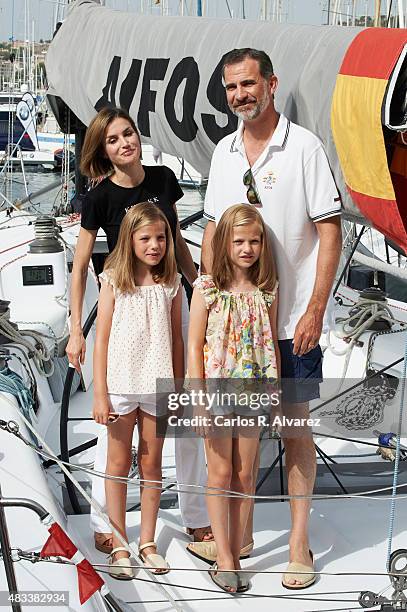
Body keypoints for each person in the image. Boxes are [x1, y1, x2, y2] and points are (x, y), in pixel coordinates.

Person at [192, 48, 342, 589]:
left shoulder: (304, 148)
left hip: (291, 326)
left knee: (296, 433)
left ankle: (298, 545)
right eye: (231, 87)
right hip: (232, 335)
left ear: (272, 84)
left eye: (248, 84)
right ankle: (244, 535)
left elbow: (329, 230)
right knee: (237, 443)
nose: (240, 96)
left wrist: (315, 310)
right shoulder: (225, 153)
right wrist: (200, 305)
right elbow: (212, 233)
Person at [66, 106, 212, 554]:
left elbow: (177, 244)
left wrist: (199, 287)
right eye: (113, 140)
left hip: (168, 295)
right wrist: (76, 329)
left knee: (179, 415)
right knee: (114, 434)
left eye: (127, 133)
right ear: (102, 150)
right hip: (123, 301)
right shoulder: (98, 198)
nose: (124, 143)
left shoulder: (164, 179)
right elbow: (79, 270)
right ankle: (106, 524)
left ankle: (194, 517)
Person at [188, 204, 280, 593]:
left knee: (245, 474)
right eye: (239, 241)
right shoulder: (207, 288)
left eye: (254, 241)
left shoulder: (266, 290)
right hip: (217, 390)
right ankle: (223, 557)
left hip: (253, 390)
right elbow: (193, 346)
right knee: (221, 472)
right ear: (224, 243)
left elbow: (270, 343)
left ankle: (238, 545)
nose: (247, 248)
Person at [93, 202, 182, 578]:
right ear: (129, 239)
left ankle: (147, 541)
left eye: (161, 237)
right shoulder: (113, 278)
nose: (154, 245)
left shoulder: (172, 282)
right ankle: (119, 542)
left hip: (158, 386)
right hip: (122, 385)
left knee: (152, 465)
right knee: (116, 465)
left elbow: (177, 340)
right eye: (145, 238)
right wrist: (100, 393)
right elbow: (102, 339)